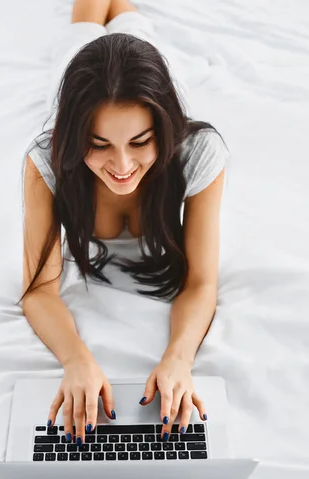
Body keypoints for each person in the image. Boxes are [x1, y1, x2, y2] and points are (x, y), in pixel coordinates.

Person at [19, 0, 229, 450]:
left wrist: (179, 358)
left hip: (150, 68)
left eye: (140, 142)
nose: (121, 166)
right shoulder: (46, 163)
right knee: (83, 27)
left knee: (132, 20)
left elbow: (201, 282)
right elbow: (38, 289)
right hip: (75, 80)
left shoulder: (198, 151)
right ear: (76, 139)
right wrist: (76, 359)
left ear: (162, 131)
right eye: (98, 145)